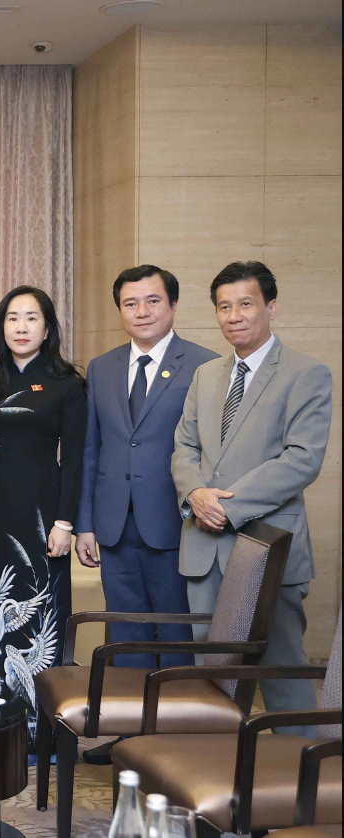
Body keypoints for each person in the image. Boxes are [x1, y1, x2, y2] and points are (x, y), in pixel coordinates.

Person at [172, 261, 331, 735]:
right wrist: (196, 493)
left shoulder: (306, 373)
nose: (234, 315)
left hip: (269, 544)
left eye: (246, 304)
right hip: (205, 545)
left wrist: (226, 505)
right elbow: (185, 447)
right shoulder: (205, 375)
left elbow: (302, 459)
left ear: (271, 307)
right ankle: (215, 772)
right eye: (224, 306)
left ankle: (303, 776)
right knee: (212, 674)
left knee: (281, 667)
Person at [74, 266, 217, 765]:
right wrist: (86, 521)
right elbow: (92, 449)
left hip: (177, 521)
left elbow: (209, 451)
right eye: (131, 303)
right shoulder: (103, 366)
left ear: (173, 306)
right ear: (120, 311)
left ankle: (175, 739)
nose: (142, 311)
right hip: (113, 523)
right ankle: (131, 736)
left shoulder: (205, 365)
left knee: (176, 633)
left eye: (152, 301)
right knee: (128, 633)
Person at [0, 286, 85, 738]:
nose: (21, 327)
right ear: (1, 327)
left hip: (42, 518)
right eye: (12, 318)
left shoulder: (67, 384)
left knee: (41, 618)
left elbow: (75, 457)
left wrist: (64, 522)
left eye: (31, 318)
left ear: (48, 327)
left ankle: (40, 730)